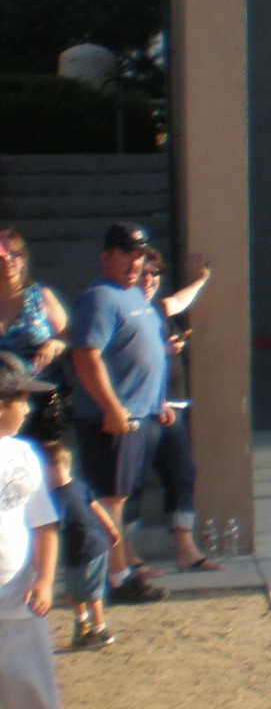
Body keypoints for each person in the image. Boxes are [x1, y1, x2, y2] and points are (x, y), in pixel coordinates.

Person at [67, 223, 167, 605]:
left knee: (119, 498)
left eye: (140, 255)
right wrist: (112, 408)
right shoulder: (100, 298)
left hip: (138, 414)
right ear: (106, 256)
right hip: (109, 418)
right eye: (127, 253)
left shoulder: (133, 295)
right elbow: (85, 357)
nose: (135, 262)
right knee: (110, 501)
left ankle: (122, 572)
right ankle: (117, 577)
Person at [0, 352, 67, 709]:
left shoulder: (23, 455)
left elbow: (44, 524)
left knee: (33, 702)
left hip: (21, 606)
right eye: (21, 398)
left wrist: (44, 580)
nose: (27, 408)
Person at [139, 249, 218, 571]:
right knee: (130, 483)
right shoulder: (124, 312)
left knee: (183, 473)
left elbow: (179, 301)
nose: (149, 280)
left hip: (172, 408)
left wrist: (201, 280)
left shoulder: (157, 309)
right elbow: (122, 360)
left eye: (154, 274)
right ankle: (125, 557)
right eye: (143, 273)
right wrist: (161, 350)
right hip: (143, 410)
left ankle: (185, 548)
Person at [0, 227, 71, 444]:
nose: (9, 261)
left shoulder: (41, 296)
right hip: (4, 404)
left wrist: (54, 345)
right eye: (2, 255)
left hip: (42, 400)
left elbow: (69, 339)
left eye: (15, 254)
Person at [49, 441, 116, 649]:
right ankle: (82, 624)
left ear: (60, 466)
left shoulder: (69, 491)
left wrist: (111, 529)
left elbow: (95, 508)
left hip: (92, 547)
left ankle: (99, 627)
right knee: (74, 591)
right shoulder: (57, 494)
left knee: (92, 592)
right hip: (73, 552)